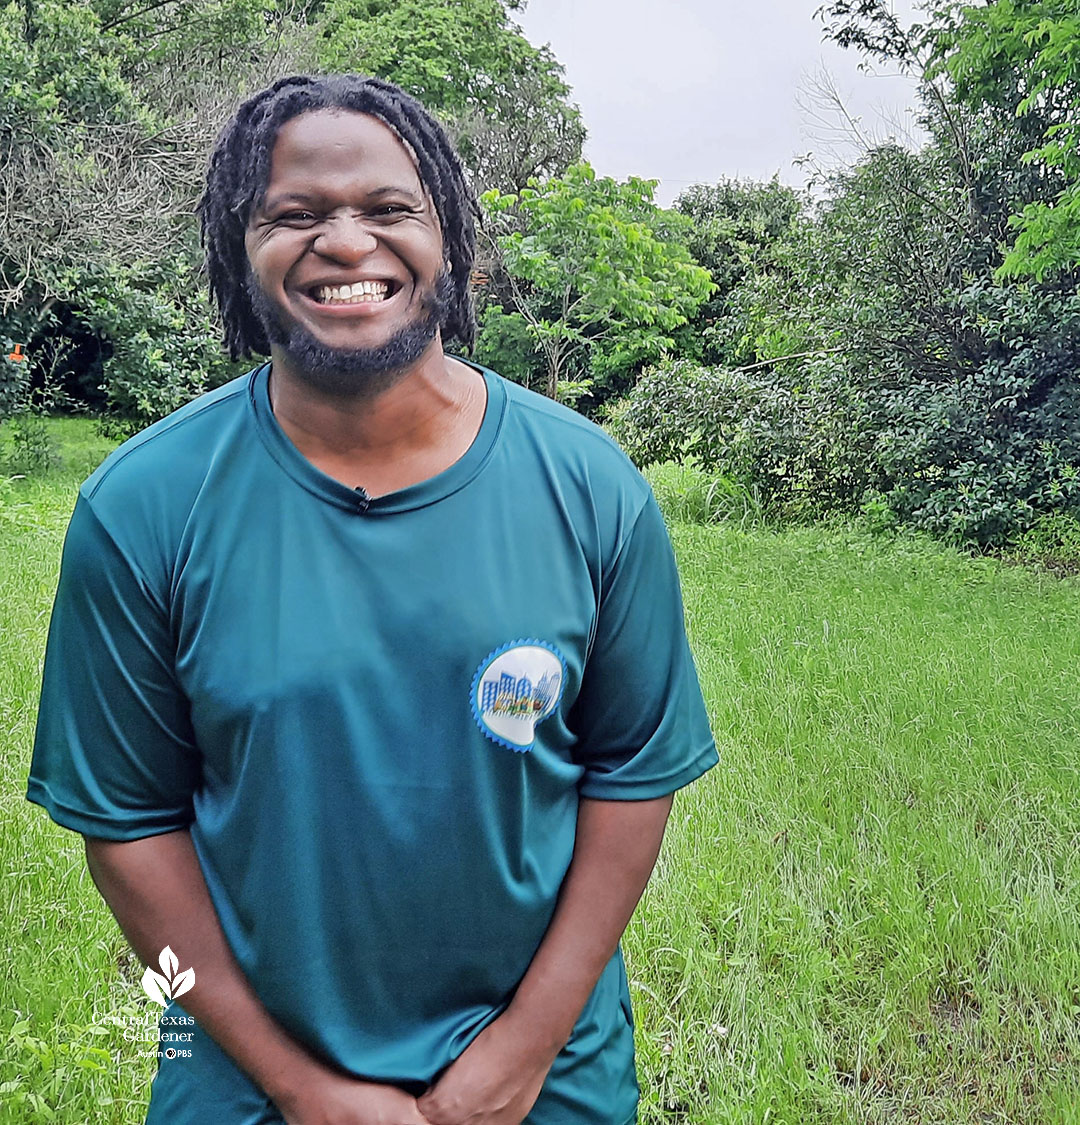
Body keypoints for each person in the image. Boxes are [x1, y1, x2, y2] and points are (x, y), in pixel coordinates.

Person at [26, 74, 717, 1125]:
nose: (347, 244)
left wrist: (524, 1056)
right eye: (294, 214)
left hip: (548, 1078)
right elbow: (128, 831)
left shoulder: (590, 488)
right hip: (244, 1082)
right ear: (235, 246)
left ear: (452, 239)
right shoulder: (143, 506)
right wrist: (299, 1088)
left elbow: (632, 776)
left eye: (390, 210)